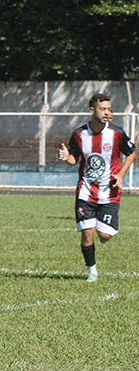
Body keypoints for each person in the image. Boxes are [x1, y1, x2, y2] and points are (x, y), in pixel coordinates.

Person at [59, 93, 135, 282]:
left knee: (104, 235)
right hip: (85, 191)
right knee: (87, 234)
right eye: (103, 109)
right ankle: (91, 272)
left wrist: (121, 174)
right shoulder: (79, 134)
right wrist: (67, 158)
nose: (107, 112)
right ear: (92, 110)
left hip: (110, 192)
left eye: (109, 109)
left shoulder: (116, 133)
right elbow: (74, 159)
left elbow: (131, 153)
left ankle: (104, 232)